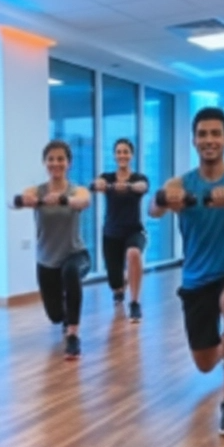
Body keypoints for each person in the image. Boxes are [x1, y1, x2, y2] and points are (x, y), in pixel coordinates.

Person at [149, 107, 224, 436]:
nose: (209, 140)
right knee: (204, 364)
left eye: (216, 133)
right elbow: (153, 209)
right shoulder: (181, 182)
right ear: (194, 140)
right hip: (196, 280)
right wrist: (164, 198)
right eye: (202, 134)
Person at [15, 140, 92, 360]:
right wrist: (23, 200)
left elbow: (84, 201)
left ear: (69, 163)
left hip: (76, 254)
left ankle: (73, 336)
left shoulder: (76, 190)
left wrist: (64, 199)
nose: (55, 163)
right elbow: (13, 202)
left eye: (61, 159)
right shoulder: (36, 190)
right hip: (46, 260)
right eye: (51, 159)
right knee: (56, 316)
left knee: (70, 272)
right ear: (44, 163)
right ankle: (66, 319)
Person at [93, 138, 148, 323]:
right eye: (119, 152)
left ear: (131, 155)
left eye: (125, 152)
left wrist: (129, 187)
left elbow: (142, 187)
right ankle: (120, 286)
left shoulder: (138, 178)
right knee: (115, 284)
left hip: (134, 231)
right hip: (111, 233)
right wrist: (100, 184)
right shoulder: (108, 177)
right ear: (114, 155)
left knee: (133, 253)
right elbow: (98, 183)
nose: (122, 155)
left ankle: (135, 302)